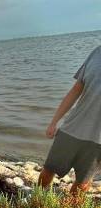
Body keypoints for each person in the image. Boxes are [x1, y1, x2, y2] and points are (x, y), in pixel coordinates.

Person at [38, 46, 101, 195]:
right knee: (48, 169)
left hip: (98, 140)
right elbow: (76, 89)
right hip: (72, 128)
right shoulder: (96, 53)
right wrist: (54, 122)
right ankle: (37, 200)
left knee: (83, 183)